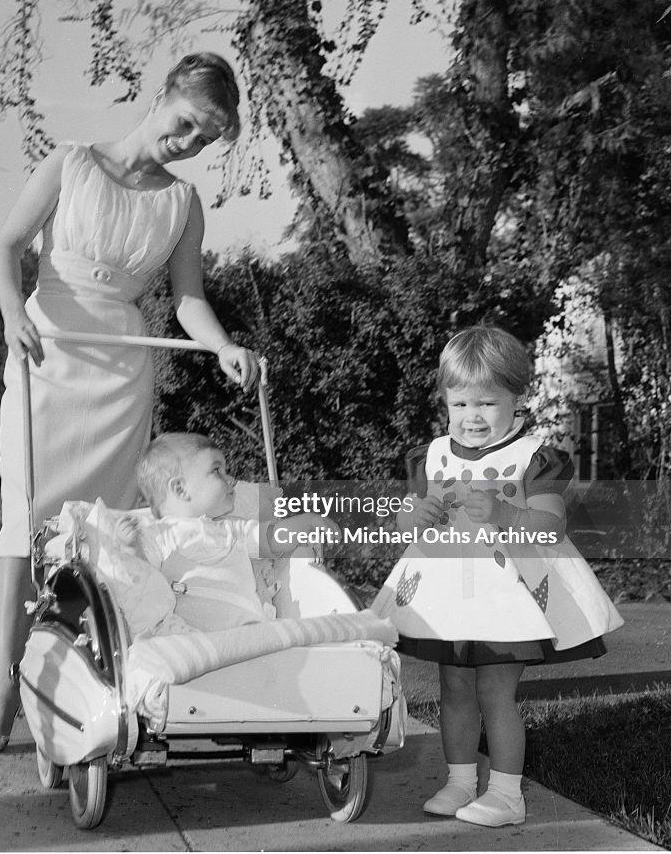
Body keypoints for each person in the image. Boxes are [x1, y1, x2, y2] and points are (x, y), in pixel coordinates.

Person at [0, 53, 261, 751]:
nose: (189, 142)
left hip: (124, 367)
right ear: (161, 95)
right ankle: (5, 684)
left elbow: (189, 298)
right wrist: (14, 315)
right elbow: (6, 248)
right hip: (48, 350)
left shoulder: (182, 203)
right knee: (27, 521)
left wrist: (222, 345)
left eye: (205, 138)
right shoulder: (70, 162)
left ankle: (86, 676)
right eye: (187, 123)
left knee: (100, 532)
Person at [373, 325, 623, 827]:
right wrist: (414, 515)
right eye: (460, 404)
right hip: (448, 593)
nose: (472, 417)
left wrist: (503, 515)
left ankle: (508, 794)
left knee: (494, 691)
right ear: (444, 401)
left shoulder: (532, 458)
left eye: (487, 403)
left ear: (517, 400)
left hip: (506, 593)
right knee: (455, 688)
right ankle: (461, 780)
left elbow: (550, 526)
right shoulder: (432, 455)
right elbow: (403, 515)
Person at [133, 432, 335, 632]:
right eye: (217, 470)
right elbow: (138, 579)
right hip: (195, 641)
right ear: (180, 488)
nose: (231, 479)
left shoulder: (231, 529)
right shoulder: (157, 536)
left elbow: (271, 539)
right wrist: (130, 546)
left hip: (250, 637)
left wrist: (305, 522)